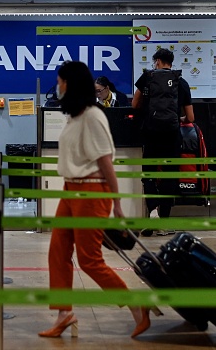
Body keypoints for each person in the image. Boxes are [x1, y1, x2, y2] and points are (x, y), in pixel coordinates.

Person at [38, 61, 151, 339]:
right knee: (58, 252)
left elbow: (106, 163)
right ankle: (64, 314)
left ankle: (138, 308)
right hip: (70, 191)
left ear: (71, 84)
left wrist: (117, 204)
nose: (58, 86)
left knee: (90, 260)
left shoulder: (93, 116)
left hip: (91, 192)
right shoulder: (75, 116)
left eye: (61, 81)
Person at [132, 48, 194, 236]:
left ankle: (152, 212)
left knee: (149, 173)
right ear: (171, 62)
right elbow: (191, 116)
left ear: (157, 61)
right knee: (169, 176)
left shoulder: (147, 78)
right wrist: (179, 118)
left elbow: (135, 105)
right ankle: (165, 221)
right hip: (171, 134)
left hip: (151, 133)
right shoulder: (181, 82)